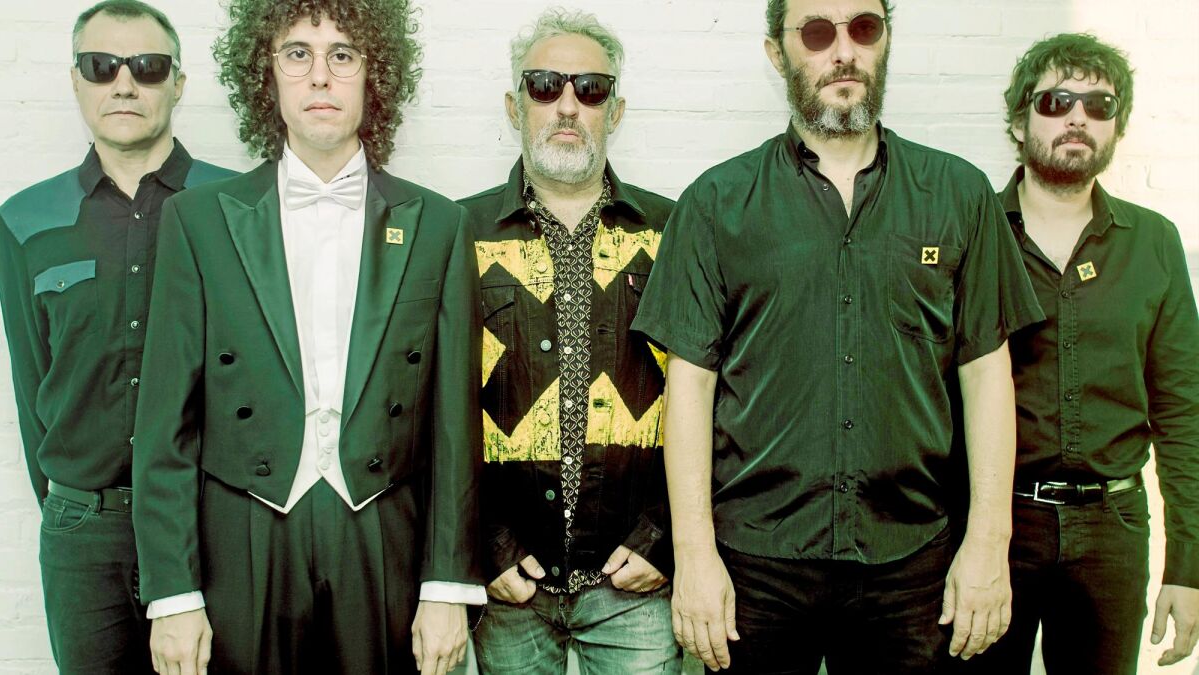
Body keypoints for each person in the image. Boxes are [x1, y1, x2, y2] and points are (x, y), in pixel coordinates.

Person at [631, 0, 1045, 671]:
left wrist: (988, 544)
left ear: (886, 42)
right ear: (777, 53)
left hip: (911, 561)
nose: (843, 51)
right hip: (755, 565)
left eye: (864, 28)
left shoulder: (959, 194)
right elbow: (690, 389)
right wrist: (695, 555)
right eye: (817, 32)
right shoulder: (715, 202)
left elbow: (987, 375)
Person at [130, 1, 484, 673]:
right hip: (241, 528)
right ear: (266, 75)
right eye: (298, 54)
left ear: (375, 75)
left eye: (342, 55)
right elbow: (165, 423)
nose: (320, 76)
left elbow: (455, 426)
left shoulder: (439, 224)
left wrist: (446, 584)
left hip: (383, 524)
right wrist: (172, 592)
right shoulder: (197, 221)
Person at [0, 2, 232, 672]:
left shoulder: (238, 206)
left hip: (212, 523)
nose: (124, 84)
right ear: (76, 80)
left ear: (178, 83)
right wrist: (74, 506)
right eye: (101, 66)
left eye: (148, 67)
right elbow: (32, 385)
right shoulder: (25, 222)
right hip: (83, 537)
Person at [958, 33, 1199, 675]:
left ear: (1117, 126)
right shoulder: (971, 234)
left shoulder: (1153, 242)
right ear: (1020, 120)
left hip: (1113, 529)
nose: (1077, 117)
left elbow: (1182, 410)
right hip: (994, 522)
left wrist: (1188, 567)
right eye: (1056, 100)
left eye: (1099, 105)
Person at [458, 8, 681, 674]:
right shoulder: (458, 233)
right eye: (544, 85)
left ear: (615, 111)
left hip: (636, 585)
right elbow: (434, 406)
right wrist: (487, 546)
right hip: (509, 585)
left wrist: (665, 540)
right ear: (514, 105)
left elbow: (714, 399)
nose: (566, 105)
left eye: (590, 89)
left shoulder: (673, 233)